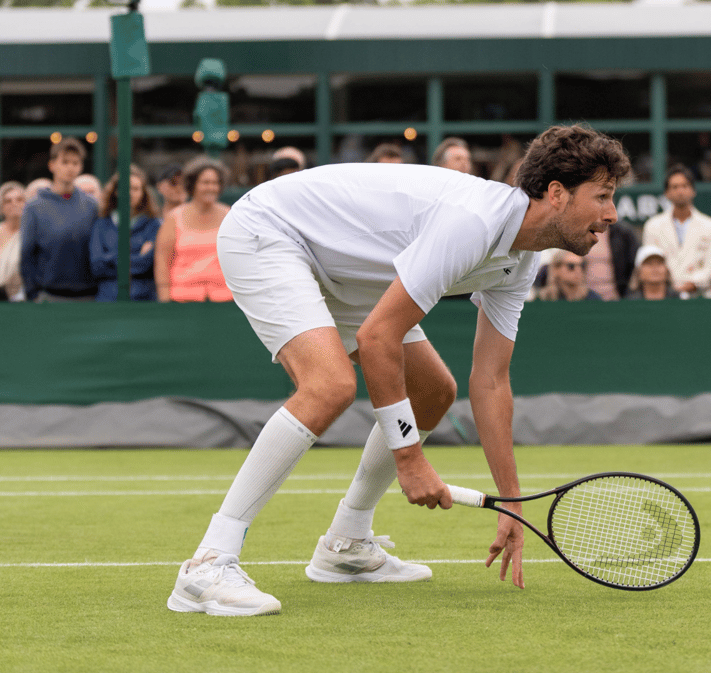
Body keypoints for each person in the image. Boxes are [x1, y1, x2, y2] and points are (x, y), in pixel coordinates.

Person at [166, 124, 630, 616]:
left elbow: (490, 381)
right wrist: (409, 460)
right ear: (556, 194)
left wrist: (512, 502)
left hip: (343, 266)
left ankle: (345, 545)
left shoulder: (522, 259)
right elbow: (376, 339)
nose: (612, 213)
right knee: (330, 386)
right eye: (601, 196)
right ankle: (208, 564)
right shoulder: (472, 223)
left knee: (434, 391)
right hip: (271, 230)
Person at [20, 137, 99, 302]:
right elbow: (27, 255)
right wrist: (33, 295)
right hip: (49, 296)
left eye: (75, 163)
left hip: (89, 296)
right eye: (65, 162)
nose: (70, 167)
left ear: (81, 167)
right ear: (52, 165)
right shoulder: (34, 207)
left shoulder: (92, 206)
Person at [154, 157, 233, 302]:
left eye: (215, 183)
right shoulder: (174, 218)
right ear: (193, 185)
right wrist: (165, 301)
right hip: (182, 301)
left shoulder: (231, 216)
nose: (211, 187)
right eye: (205, 183)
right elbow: (162, 262)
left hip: (225, 300)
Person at [641, 165, 711, 298]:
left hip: (700, 296)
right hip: (664, 296)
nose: (680, 191)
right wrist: (672, 288)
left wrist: (694, 283)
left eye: (685, 186)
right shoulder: (652, 226)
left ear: (693, 190)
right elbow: (650, 264)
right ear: (667, 193)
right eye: (675, 187)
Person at [89, 166, 162, 302]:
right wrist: (137, 256)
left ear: (143, 193)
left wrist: (110, 258)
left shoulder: (154, 225)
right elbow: (97, 267)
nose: (130, 193)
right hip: (109, 300)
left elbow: (149, 265)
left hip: (144, 301)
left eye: (135, 189)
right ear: (116, 191)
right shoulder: (102, 224)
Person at [582, 218, 638, 300]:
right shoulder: (576, 230)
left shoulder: (623, 231)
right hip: (585, 298)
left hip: (615, 297)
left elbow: (632, 262)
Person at [537, 249, 602, 301]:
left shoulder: (593, 298)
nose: (578, 270)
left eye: (582, 266)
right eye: (571, 266)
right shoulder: (544, 298)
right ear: (556, 269)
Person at [0, 181, 25, 301]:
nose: (14, 203)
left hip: (20, 299)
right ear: (1, 207)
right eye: (8, 201)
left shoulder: (32, 233)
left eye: (19, 199)